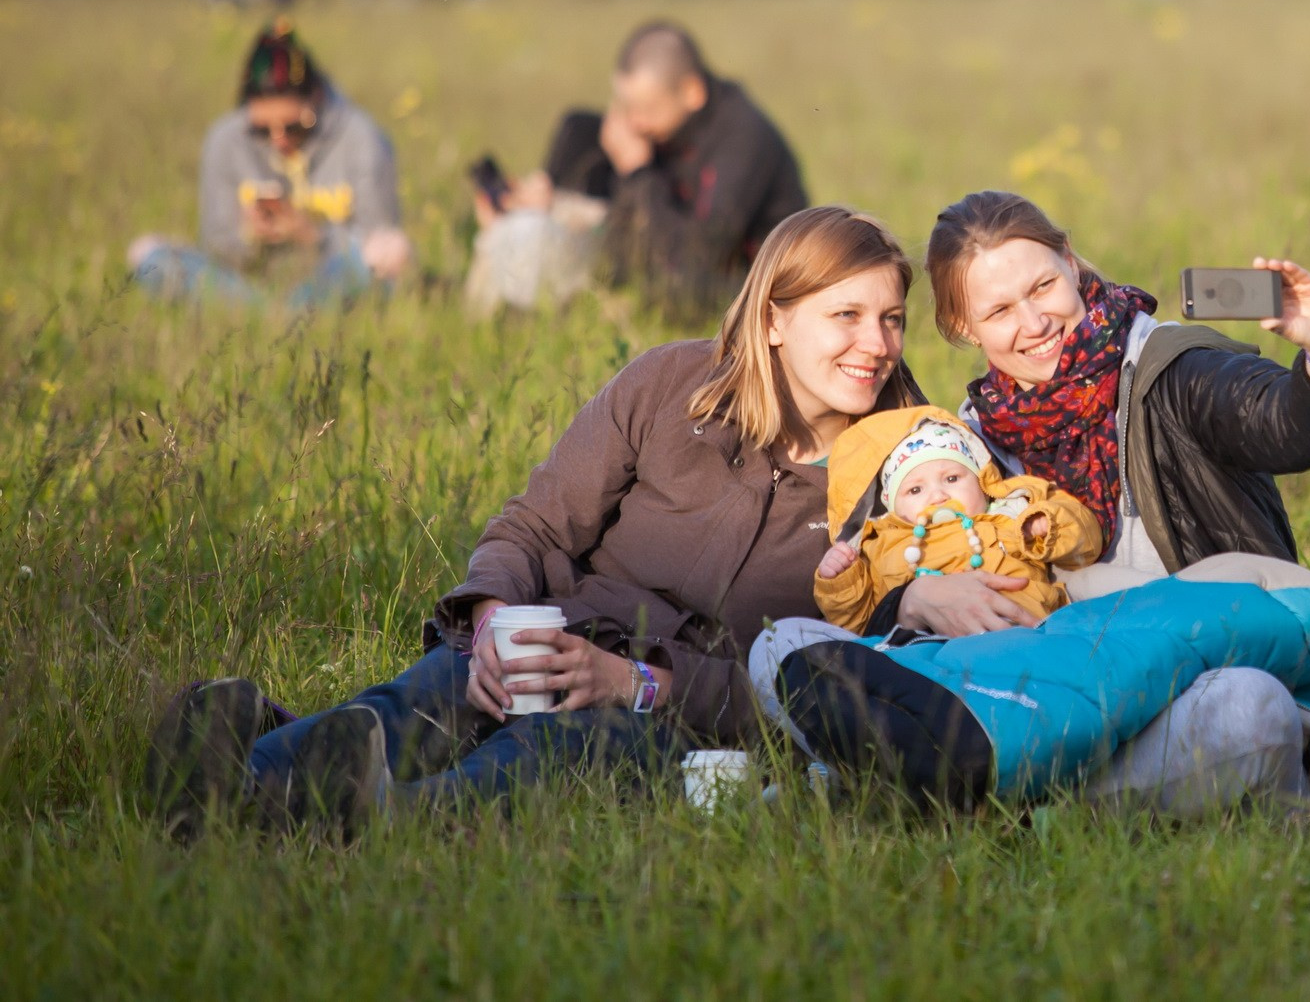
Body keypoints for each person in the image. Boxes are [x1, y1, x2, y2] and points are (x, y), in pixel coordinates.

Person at [142, 206, 926, 839]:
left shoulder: (913, 472)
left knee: (556, 750)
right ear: (774, 319)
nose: (876, 344)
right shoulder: (669, 383)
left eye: (891, 318)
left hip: (677, 717)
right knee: (423, 702)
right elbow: (535, 526)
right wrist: (488, 624)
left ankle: (352, 808)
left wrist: (639, 683)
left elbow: (860, 683)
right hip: (553, 638)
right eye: (847, 314)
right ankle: (239, 772)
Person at [883, 189, 1310, 805]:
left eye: (1042, 288)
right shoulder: (965, 448)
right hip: (1069, 699)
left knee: (1249, 705)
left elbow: (1293, 428)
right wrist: (921, 594)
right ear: (962, 327)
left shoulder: (1170, 369)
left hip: (1207, 671)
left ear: (1070, 261)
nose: (1034, 324)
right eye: (1000, 310)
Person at [475, 20, 806, 315]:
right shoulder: (670, 127)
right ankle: (525, 232)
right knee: (579, 131)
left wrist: (637, 172)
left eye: (646, 109)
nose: (634, 123)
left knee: (664, 284)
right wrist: (554, 192)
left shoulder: (743, 141)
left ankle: (551, 281)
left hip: (742, 289)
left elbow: (692, 262)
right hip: (669, 262)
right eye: (626, 107)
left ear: (692, 92)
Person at [128, 21, 410, 306]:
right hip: (246, 283)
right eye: (263, 130)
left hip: (330, 279)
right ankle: (281, 316)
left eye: (294, 127)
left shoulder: (362, 138)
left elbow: (378, 242)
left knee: (392, 251)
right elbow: (214, 249)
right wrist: (250, 237)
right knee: (146, 254)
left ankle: (262, 317)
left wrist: (312, 236)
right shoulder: (224, 140)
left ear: (317, 98)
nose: (279, 141)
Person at [811, 406, 1101, 631]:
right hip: (929, 647)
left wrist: (1046, 525)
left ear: (980, 480)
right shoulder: (881, 545)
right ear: (892, 506)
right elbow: (858, 623)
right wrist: (839, 580)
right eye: (915, 489)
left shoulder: (1009, 513)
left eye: (952, 478)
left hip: (1023, 625)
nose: (938, 496)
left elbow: (1086, 541)